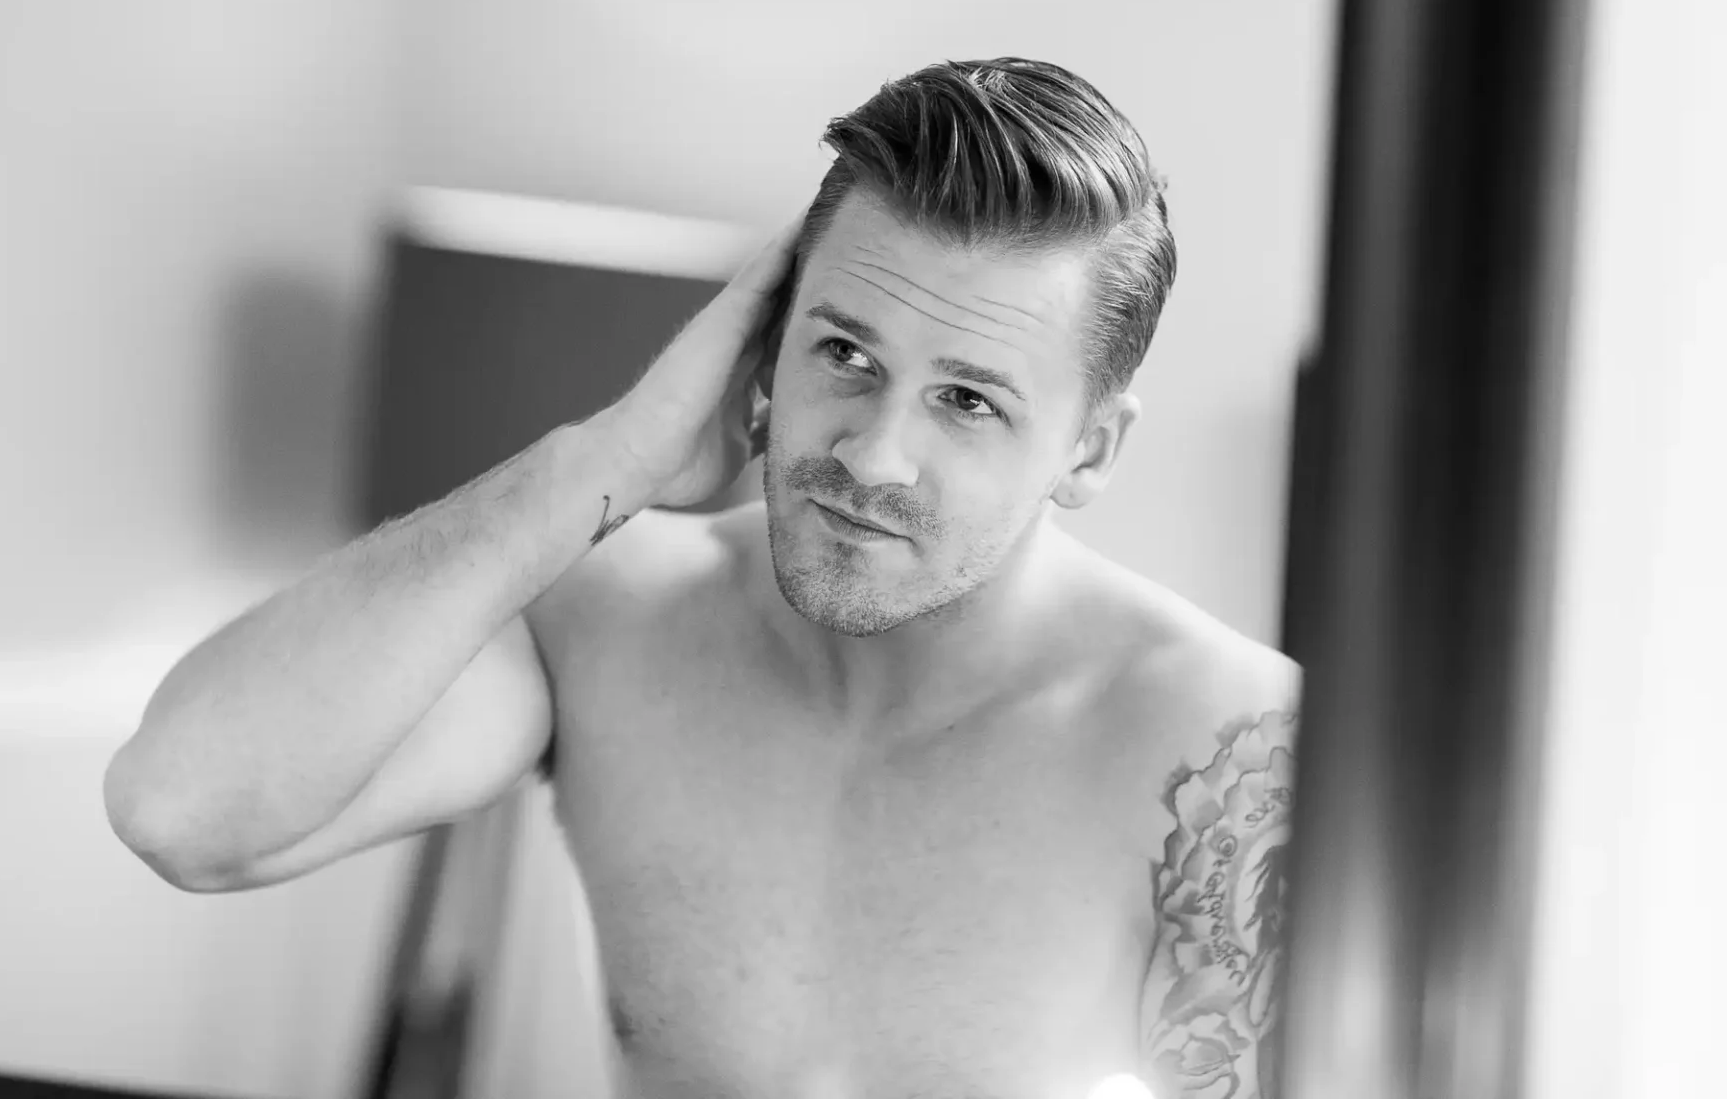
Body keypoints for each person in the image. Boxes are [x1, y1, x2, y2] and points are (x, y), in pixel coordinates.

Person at [104, 57, 1301, 1099]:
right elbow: (184, 811)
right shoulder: (613, 617)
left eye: (968, 399)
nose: (871, 454)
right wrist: (599, 460)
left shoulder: (1226, 752)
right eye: (844, 350)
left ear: (1089, 449)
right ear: (761, 346)